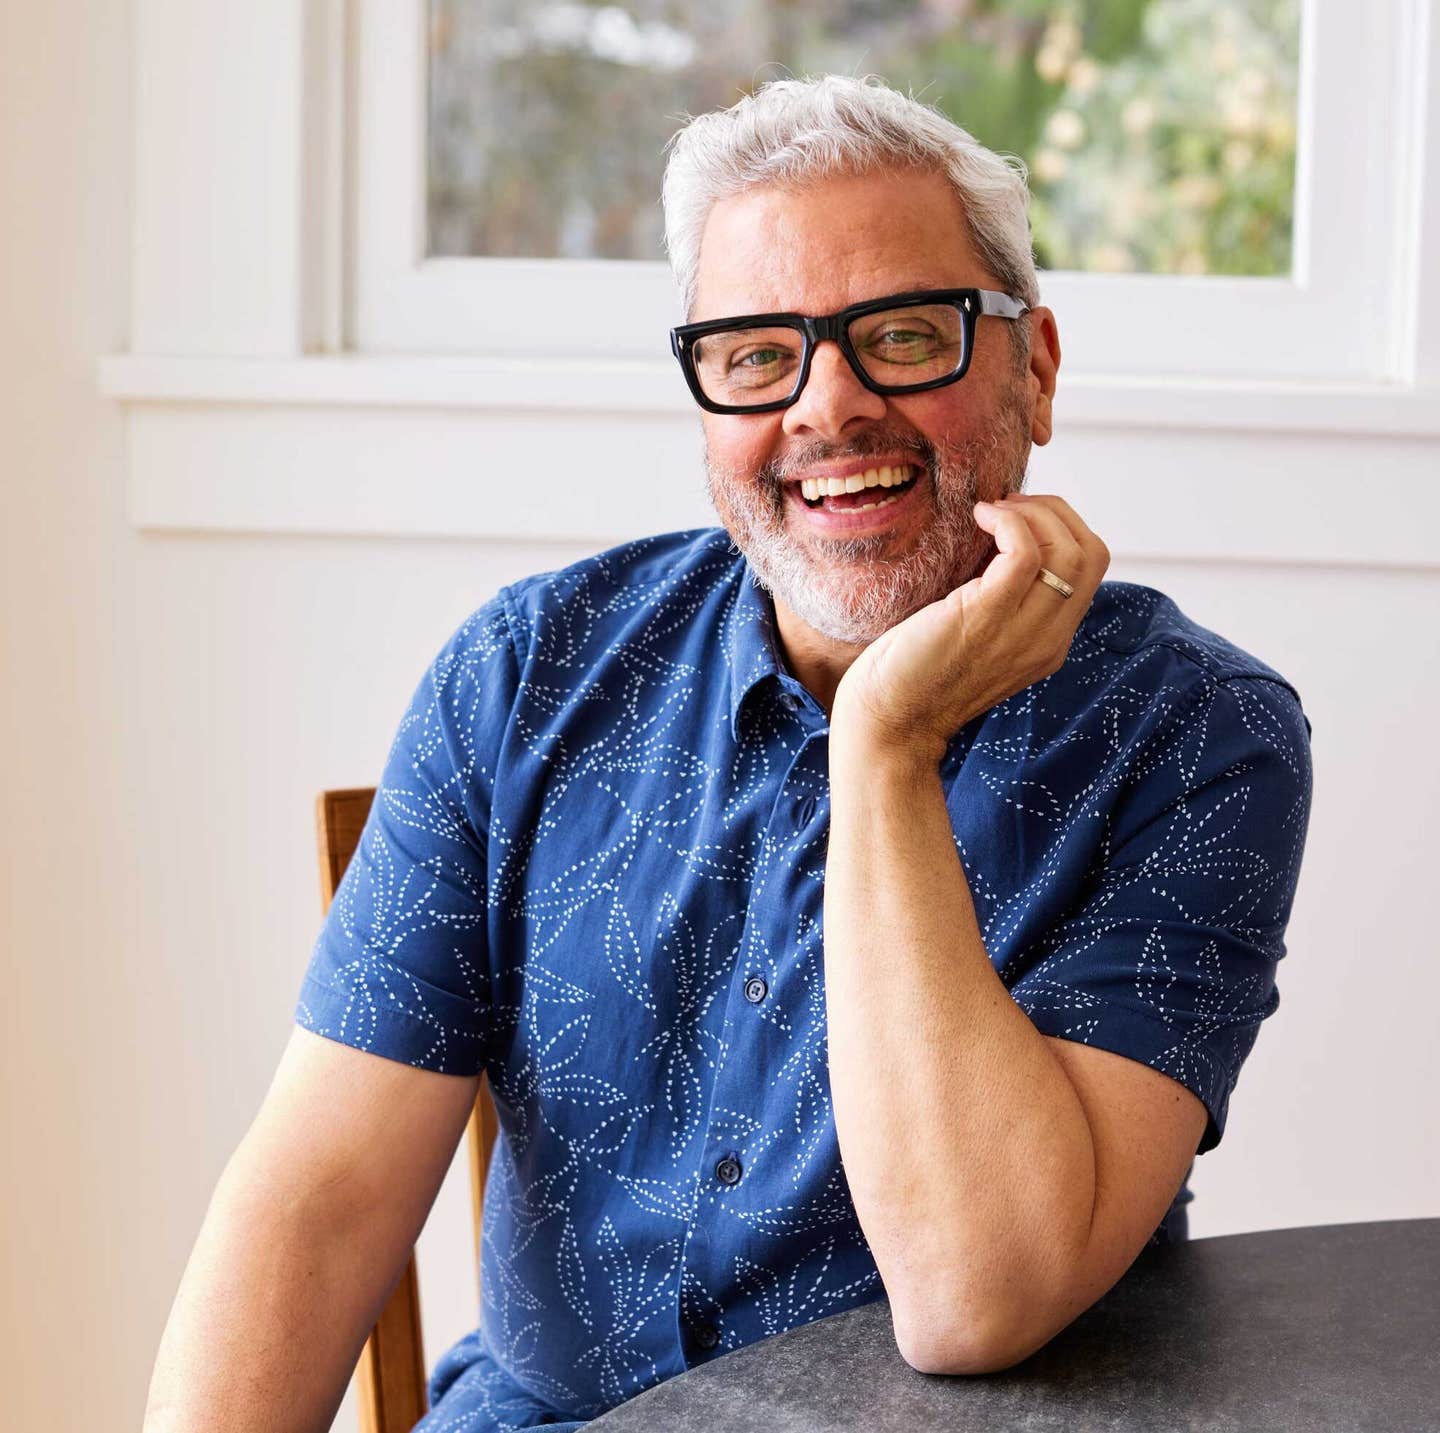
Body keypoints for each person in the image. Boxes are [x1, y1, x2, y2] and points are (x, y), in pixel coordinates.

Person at [142, 75, 1314, 1433]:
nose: (830, 407)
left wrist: (884, 743)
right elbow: (319, 1199)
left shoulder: (1198, 737)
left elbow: (979, 1292)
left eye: (903, 334)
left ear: (1034, 366)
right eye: (760, 353)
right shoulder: (522, 677)